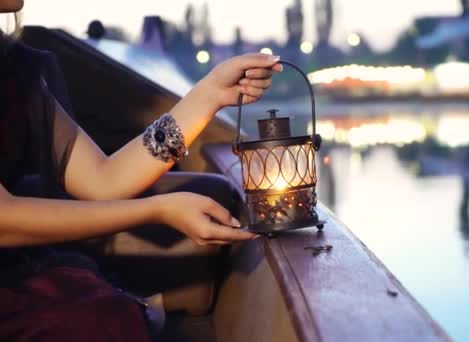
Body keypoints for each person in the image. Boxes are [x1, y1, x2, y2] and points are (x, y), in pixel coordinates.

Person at [0, 0, 282, 340]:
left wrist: (208, 96)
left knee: (103, 317)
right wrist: (157, 209)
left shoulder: (14, 68)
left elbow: (104, 180)